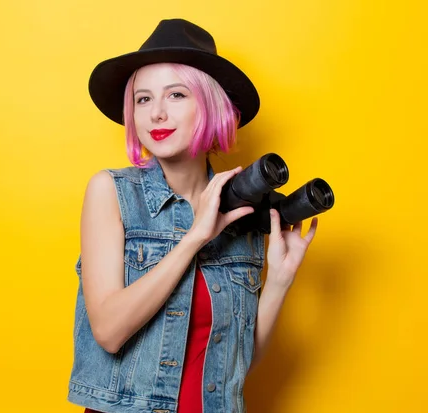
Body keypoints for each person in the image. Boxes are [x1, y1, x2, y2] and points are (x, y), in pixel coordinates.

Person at [67, 18, 318, 413]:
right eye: (143, 99)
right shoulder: (112, 192)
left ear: (211, 105)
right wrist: (194, 238)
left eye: (176, 95)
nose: (157, 114)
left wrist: (280, 281)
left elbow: (237, 364)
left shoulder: (241, 207)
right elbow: (109, 331)